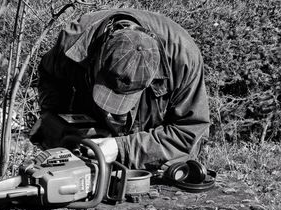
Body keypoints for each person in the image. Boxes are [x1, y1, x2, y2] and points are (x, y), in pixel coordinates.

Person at [31, 8, 210, 170]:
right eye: (107, 90)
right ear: (98, 58)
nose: (111, 111)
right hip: (90, 149)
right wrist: (59, 122)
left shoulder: (183, 59)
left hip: (154, 162)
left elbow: (187, 132)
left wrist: (122, 148)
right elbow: (49, 75)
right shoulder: (74, 44)